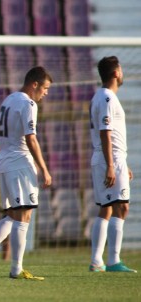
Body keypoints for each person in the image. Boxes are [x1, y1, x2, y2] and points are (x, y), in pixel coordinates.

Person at [0, 66, 53, 280]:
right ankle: (16, 269)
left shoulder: (8, 100)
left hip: (5, 162)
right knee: (24, 215)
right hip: (19, 162)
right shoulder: (28, 103)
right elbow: (31, 138)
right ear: (34, 84)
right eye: (45, 88)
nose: (46, 93)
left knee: (13, 215)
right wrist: (43, 168)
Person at [89, 56, 136, 273]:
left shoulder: (100, 96)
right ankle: (113, 261)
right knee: (121, 207)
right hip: (110, 158)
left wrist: (120, 164)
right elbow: (105, 132)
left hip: (111, 158)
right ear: (116, 73)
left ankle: (97, 261)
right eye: (121, 69)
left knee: (106, 208)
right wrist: (112, 164)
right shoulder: (107, 98)